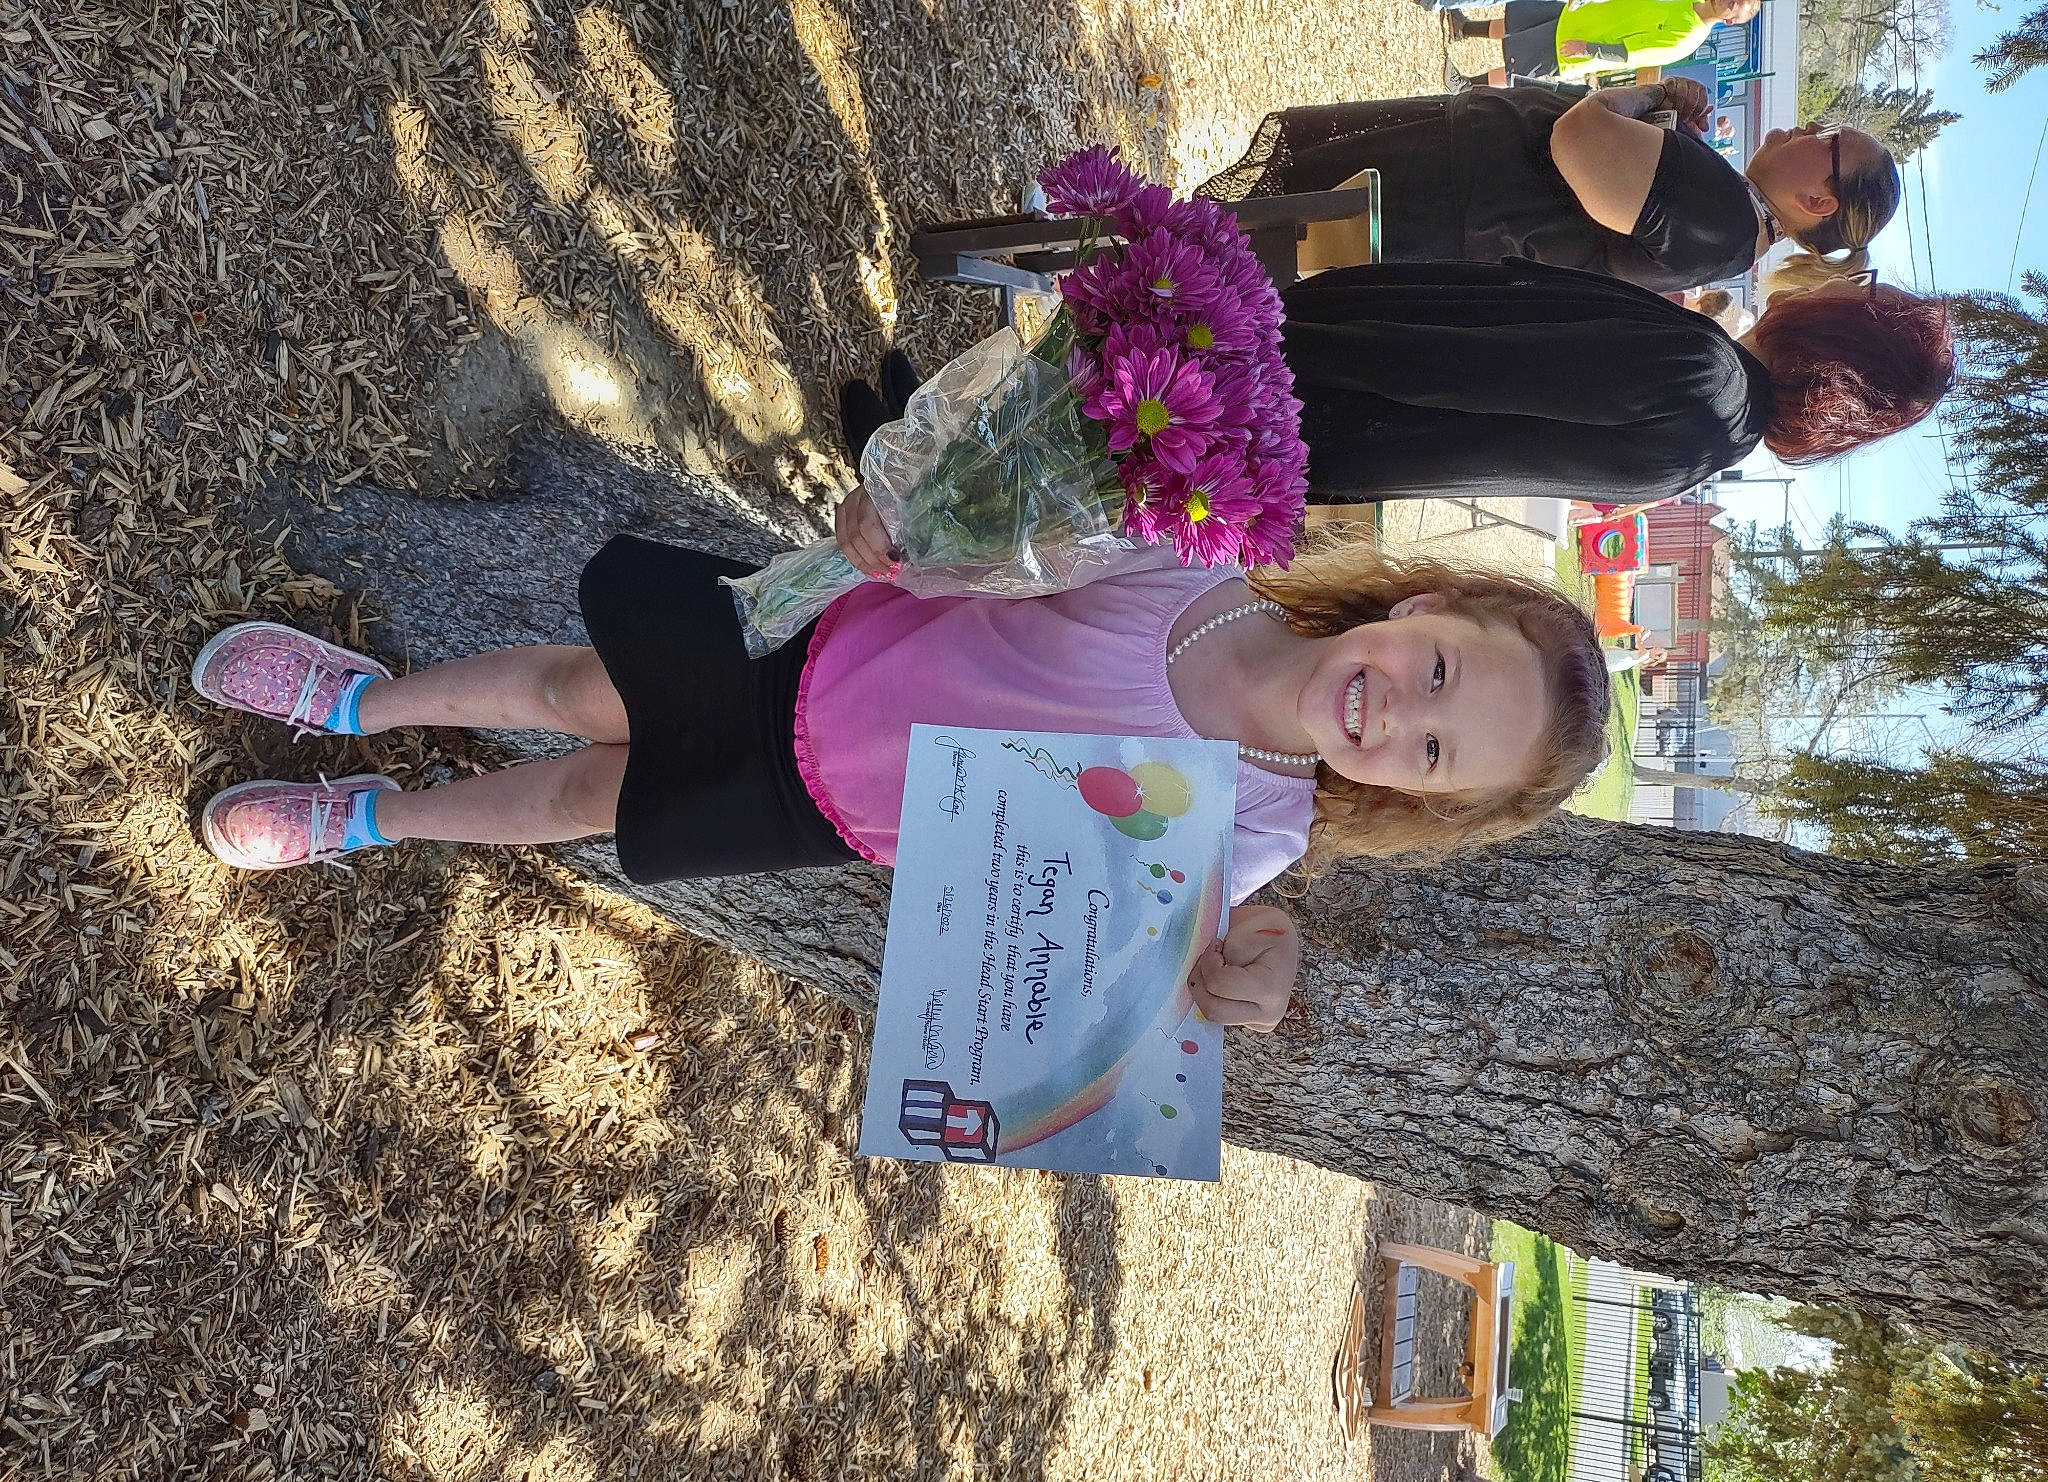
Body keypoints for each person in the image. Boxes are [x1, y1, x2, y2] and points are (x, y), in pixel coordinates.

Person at [188, 533, 1611, 1029]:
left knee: (582, 804)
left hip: (828, 810)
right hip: (804, 654)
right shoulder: (1209, 568)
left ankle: (376, 819)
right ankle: (360, 698)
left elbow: (1153, 961)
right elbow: (1012, 548)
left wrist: (1252, 967)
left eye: (1435, 751)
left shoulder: (1260, 824)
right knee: (573, 690)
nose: (1397, 713)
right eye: (1438, 667)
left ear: (1420, 800)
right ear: (1420, 603)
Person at [1279, 256, 1955, 503]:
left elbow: (1444, 369)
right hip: (1308, 442)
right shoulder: (1714, 443)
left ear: (1839, 336)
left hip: (1286, 384)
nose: (1838, 276)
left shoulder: (1705, 375)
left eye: (1858, 291)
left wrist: (1260, 343)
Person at [1195, 82, 1902, 294]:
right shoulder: (1726, 223)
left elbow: (1577, 141)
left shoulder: (1721, 214)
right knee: (1244, 241)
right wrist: (1666, 129)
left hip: (1435, 191)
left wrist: (1646, 93)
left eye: (1830, 141)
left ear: (1820, 202)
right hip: (1447, 196)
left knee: (1238, 245)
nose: (1811, 127)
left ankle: (1113, 258)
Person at [1439, 0, 1760, 87]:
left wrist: (1587, 49)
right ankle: (1465, 29)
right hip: (1582, 13)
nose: (1728, 0)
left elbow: (1631, 53)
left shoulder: (1688, 37)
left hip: (1582, 44)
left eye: (1735, 4)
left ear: (1731, 20)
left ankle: (1467, 85)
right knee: (1518, 21)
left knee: (1518, 64)